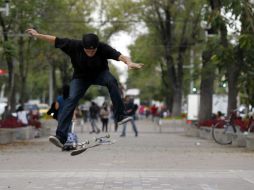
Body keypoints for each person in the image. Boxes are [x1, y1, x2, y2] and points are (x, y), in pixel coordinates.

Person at [26, 28, 144, 148]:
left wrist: (129, 63)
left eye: (93, 51)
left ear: (97, 47)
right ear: (83, 47)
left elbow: (120, 56)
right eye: (88, 51)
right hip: (80, 78)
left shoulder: (103, 48)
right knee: (71, 99)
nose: (90, 54)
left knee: (112, 81)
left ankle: (120, 115)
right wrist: (37, 35)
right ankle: (61, 136)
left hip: (100, 74)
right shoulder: (74, 45)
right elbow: (54, 39)